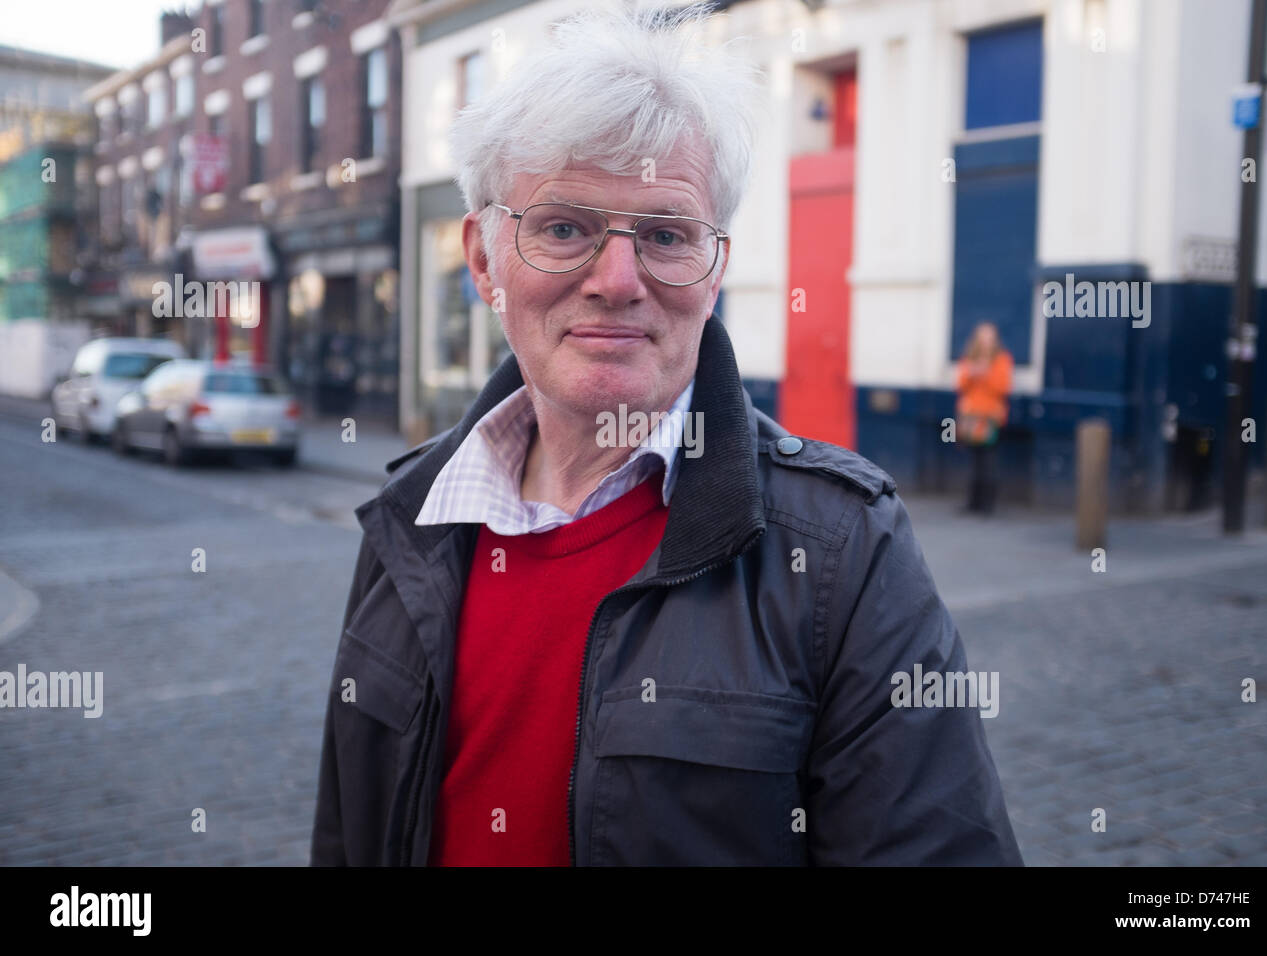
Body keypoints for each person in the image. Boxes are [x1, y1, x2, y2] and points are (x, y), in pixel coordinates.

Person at [310, 7, 1022, 867]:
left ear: (715, 269)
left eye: (666, 235)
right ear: (483, 258)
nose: (618, 281)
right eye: (564, 227)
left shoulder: (844, 554)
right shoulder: (409, 519)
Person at [955, 322, 1013, 515]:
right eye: (982, 338)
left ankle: (988, 505)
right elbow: (961, 384)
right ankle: (973, 502)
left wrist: (985, 374)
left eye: (989, 338)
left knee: (988, 461)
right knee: (974, 461)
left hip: (990, 418)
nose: (986, 342)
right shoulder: (969, 358)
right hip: (971, 416)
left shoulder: (1002, 360)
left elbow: (1003, 387)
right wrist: (972, 374)